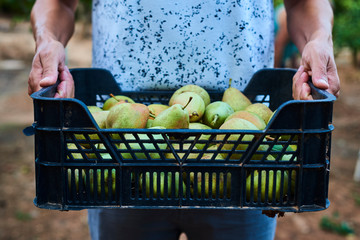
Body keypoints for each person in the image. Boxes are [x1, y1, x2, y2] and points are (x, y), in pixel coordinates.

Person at [28, 0, 340, 239]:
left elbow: (302, 3)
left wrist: (319, 40)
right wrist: (47, 41)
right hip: (122, 153)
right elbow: (59, 3)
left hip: (242, 158)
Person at [274, 3, 300, 68]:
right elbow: (278, 47)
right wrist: (272, 75)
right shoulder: (291, 17)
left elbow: (292, 53)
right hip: (270, 61)